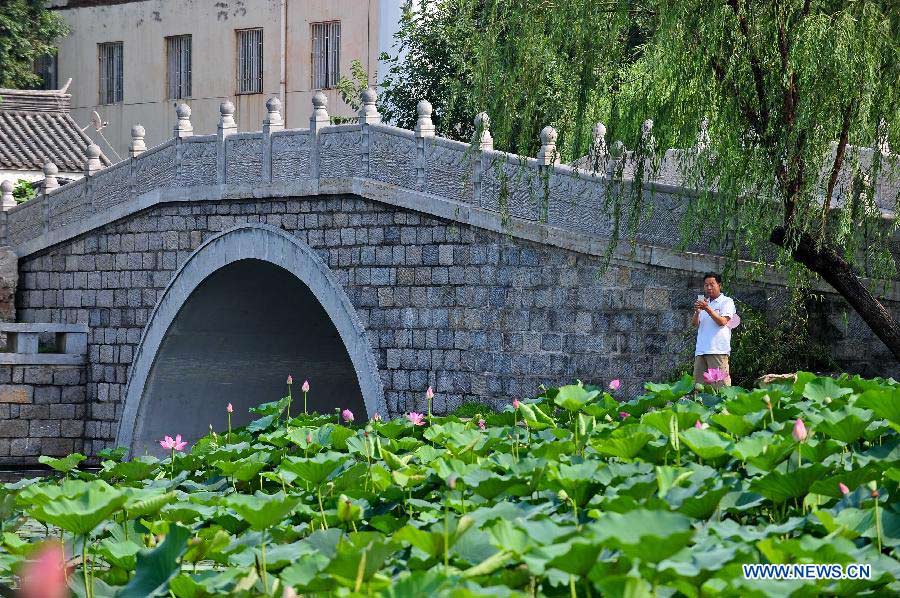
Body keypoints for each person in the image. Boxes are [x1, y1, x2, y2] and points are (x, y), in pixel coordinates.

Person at [693, 272, 736, 386]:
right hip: (701, 350)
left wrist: (707, 309)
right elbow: (694, 324)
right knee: (698, 389)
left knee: (721, 388)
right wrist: (697, 312)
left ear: (719, 285)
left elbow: (722, 322)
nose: (709, 287)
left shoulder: (727, 301)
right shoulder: (704, 302)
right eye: (706, 285)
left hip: (718, 350)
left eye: (712, 284)